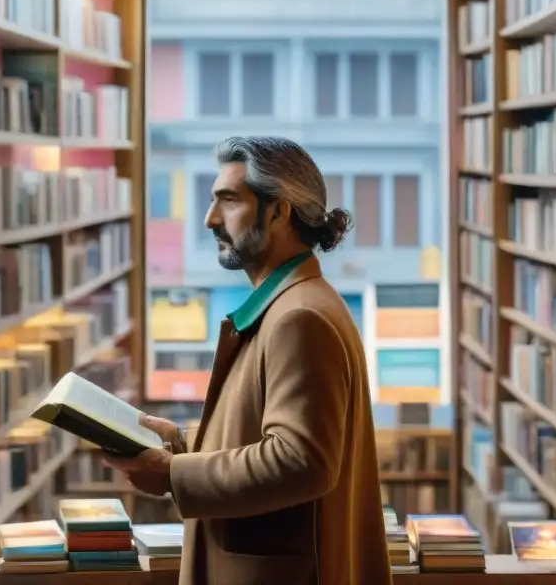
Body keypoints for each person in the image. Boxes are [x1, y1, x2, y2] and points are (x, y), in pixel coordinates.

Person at [105, 136, 392, 585]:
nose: (210, 219)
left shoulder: (299, 318)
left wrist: (172, 474)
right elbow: (270, 433)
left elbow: (301, 461)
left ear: (279, 211)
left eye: (228, 201)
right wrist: (183, 442)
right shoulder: (293, 304)